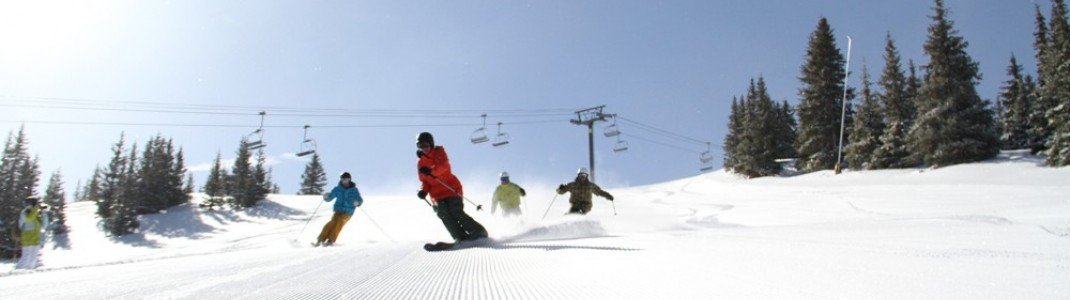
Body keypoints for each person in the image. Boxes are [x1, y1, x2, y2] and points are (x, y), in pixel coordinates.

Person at [416, 132, 488, 242]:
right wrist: (423, 191)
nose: (423, 148)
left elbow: (445, 166)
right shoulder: (420, 163)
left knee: (455, 211)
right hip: (436, 195)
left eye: (425, 145)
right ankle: (460, 236)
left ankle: (478, 231)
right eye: (420, 146)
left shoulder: (439, 152)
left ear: (431, 143)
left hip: (450, 188)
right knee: (442, 213)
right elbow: (425, 181)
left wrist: (431, 171)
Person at [315, 172, 363, 247]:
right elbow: (330, 197)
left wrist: (358, 202)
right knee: (332, 222)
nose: (344, 181)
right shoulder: (337, 189)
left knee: (340, 221)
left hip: (348, 212)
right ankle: (320, 240)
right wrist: (326, 197)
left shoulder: (354, 190)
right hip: (338, 210)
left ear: (349, 180)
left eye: (346, 180)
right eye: (342, 179)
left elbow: (359, 199)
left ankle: (331, 240)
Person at [16, 196, 49, 270]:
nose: (27, 206)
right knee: (25, 257)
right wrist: (36, 209)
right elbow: (28, 219)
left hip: (35, 239)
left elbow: (44, 225)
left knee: (33, 258)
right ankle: (18, 271)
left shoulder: (37, 213)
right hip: (27, 239)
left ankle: (29, 272)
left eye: (28, 204)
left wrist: (44, 213)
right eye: (26, 204)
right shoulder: (24, 212)